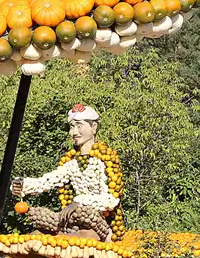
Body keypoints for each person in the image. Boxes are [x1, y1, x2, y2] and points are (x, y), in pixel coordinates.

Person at [12, 103, 122, 241]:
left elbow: (111, 199)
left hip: (99, 224)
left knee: (83, 238)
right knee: (36, 236)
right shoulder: (71, 162)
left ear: (93, 127)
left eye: (79, 126)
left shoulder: (106, 160)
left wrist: (79, 203)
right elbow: (48, 181)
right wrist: (23, 185)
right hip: (73, 221)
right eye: (71, 127)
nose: (74, 132)